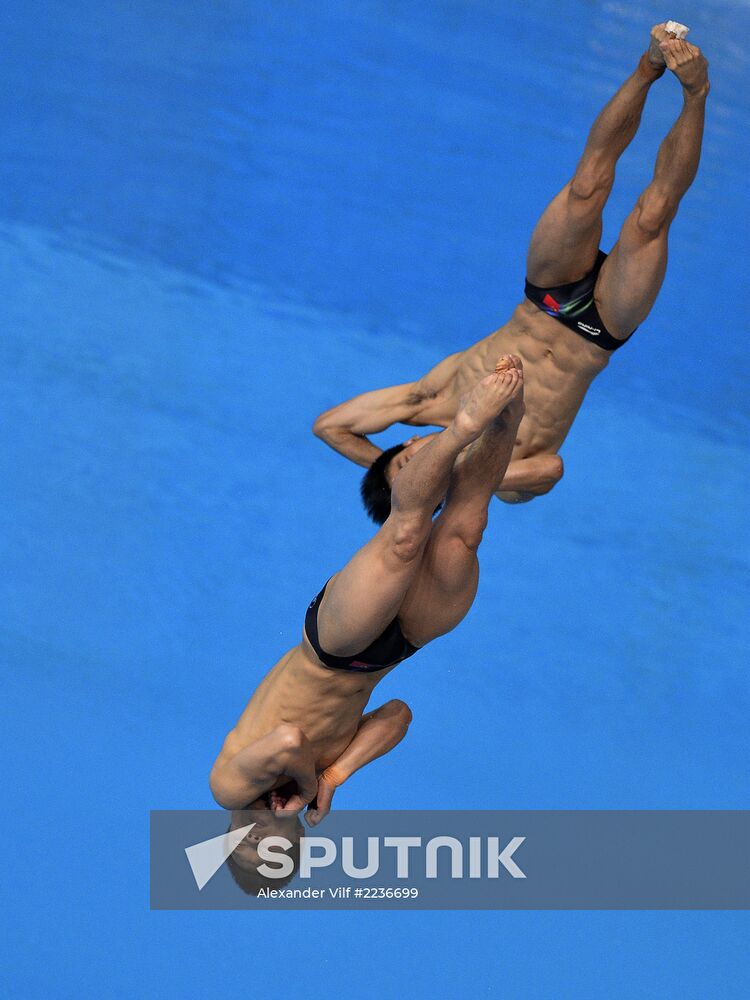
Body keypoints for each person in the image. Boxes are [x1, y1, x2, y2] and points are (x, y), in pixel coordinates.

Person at [312, 25, 709, 518]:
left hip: (547, 296)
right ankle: (696, 91)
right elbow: (551, 470)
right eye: (419, 478)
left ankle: (649, 64)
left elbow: (329, 427)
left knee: (587, 185)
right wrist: (453, 478)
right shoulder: (504, 474)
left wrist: (382, 470)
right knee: (653, 215)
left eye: (407, 463)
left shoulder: (431, 400)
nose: (419, 465)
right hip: (601, 329)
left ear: (407, 443)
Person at [211, 357, 524, 891]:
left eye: (245, 846)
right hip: (393, 652)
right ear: (297, 840)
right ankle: (507, 419)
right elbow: (397, 715)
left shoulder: (230, 788)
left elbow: (288, 739)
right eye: (272, 850)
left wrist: (306, 784)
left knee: (405, 537)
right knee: (465, 529)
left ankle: (463, 428)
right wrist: (336, 774)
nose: (258, 838)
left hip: (332, 647)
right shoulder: (316, 782)